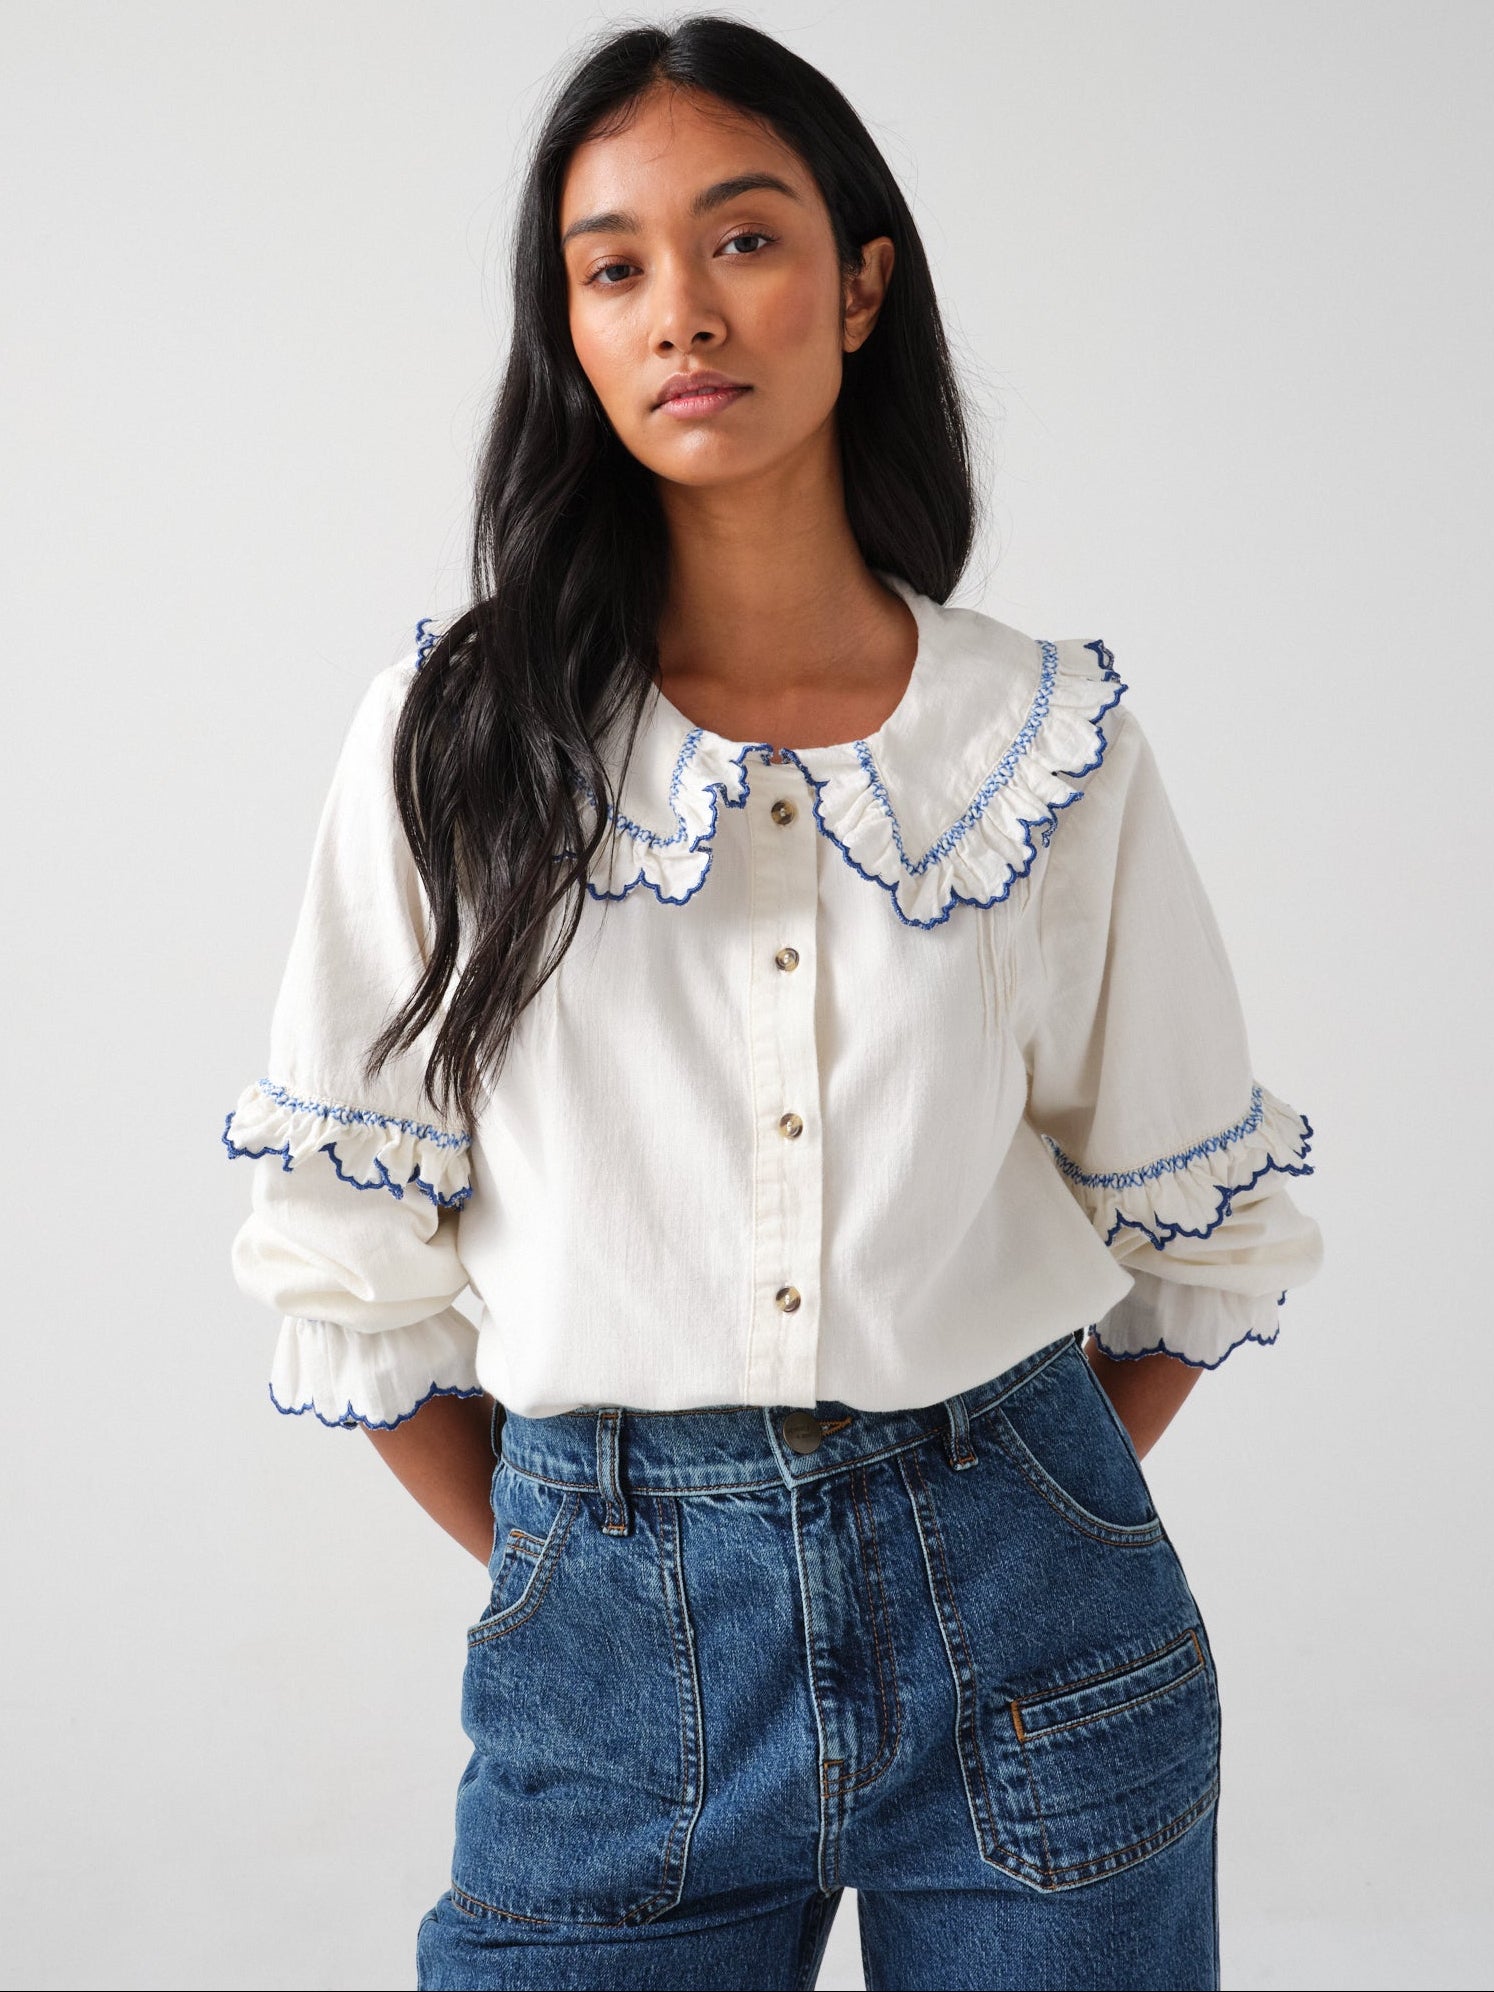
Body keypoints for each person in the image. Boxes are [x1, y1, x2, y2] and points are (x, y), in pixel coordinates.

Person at [222, 17, 1322, 1991]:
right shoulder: (457, 745)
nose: (680, 313)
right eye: (613, 266)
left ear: (859, 282)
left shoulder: (1043, 746)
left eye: (741, 241)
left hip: (1041, 1637)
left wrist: (1006, 1512)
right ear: (570, 327)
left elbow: (1201, 1235)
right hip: (610, 1667)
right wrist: (616, 1562)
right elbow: (342, 1260)